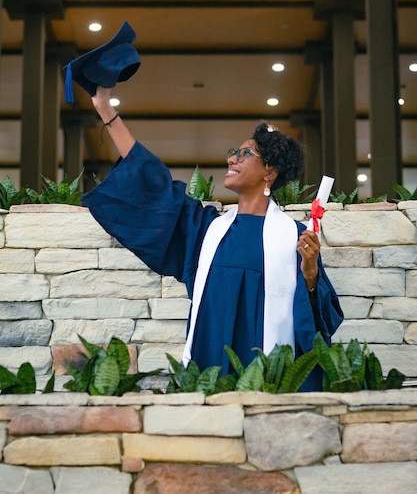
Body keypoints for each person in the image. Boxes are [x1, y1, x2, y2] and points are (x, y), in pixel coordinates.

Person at [82, 86, 343, 391]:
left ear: (269, 172)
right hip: (211, 367)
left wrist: (310, 275)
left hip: (267, 375)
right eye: (233, 152)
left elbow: (319, 325)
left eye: (244, 153)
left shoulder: (296, 238)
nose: (232, 159)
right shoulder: (207, 231)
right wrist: (105, 109)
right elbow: (153, 184)